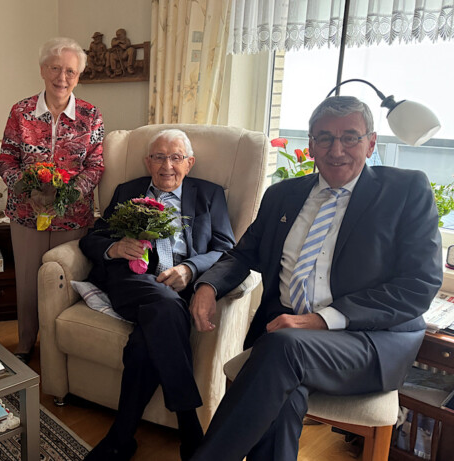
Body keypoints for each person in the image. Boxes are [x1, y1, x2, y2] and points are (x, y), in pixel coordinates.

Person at [188, 96, 443, 461]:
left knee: (282, 351)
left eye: (350, 137)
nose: (336, 150)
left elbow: (419, 285)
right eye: (325, 138)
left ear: (371, 142)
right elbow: (243, 254)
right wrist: (208, 285)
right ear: (310, 144)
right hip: (287, 339)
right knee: (281, 387)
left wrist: (322, 320)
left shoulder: (405, 191)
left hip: (370, 340)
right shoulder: (282, 195)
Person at [80, 129, 235, 461]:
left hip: (178, 286)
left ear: (189, 163)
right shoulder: (127, 191)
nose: (167, 166)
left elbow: (226, 249)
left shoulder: (209, 194)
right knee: (165, 306)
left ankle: (121, 438)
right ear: (147, 162)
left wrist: (190, 269)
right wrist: (115, 248)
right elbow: (92, 239)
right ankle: (190, 429)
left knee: (144, 342)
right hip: (132, 279)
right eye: (159, 157)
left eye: (176, 157)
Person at [0, 37, 104, 364]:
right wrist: (25, 188)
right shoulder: (21, 112)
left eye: (70, 71)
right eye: (55, 68)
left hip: (73, 217)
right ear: (43, 70)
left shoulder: (90, 115)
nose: (62, 77)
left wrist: (71, 194)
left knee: (65, 282)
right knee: (28, 282)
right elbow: (7, 159)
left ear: (78, 76)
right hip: (26, 215)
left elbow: (96, 165)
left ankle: (60, 349)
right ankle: (25, 344)